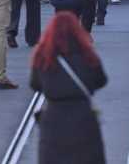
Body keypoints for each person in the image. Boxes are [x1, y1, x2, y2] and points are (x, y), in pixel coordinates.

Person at [30, 12, 107, 164]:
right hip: (83, 117)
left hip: (53, 119)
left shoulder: (44, 58)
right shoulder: (87, 55)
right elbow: (101, 80)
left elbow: (35, 84)